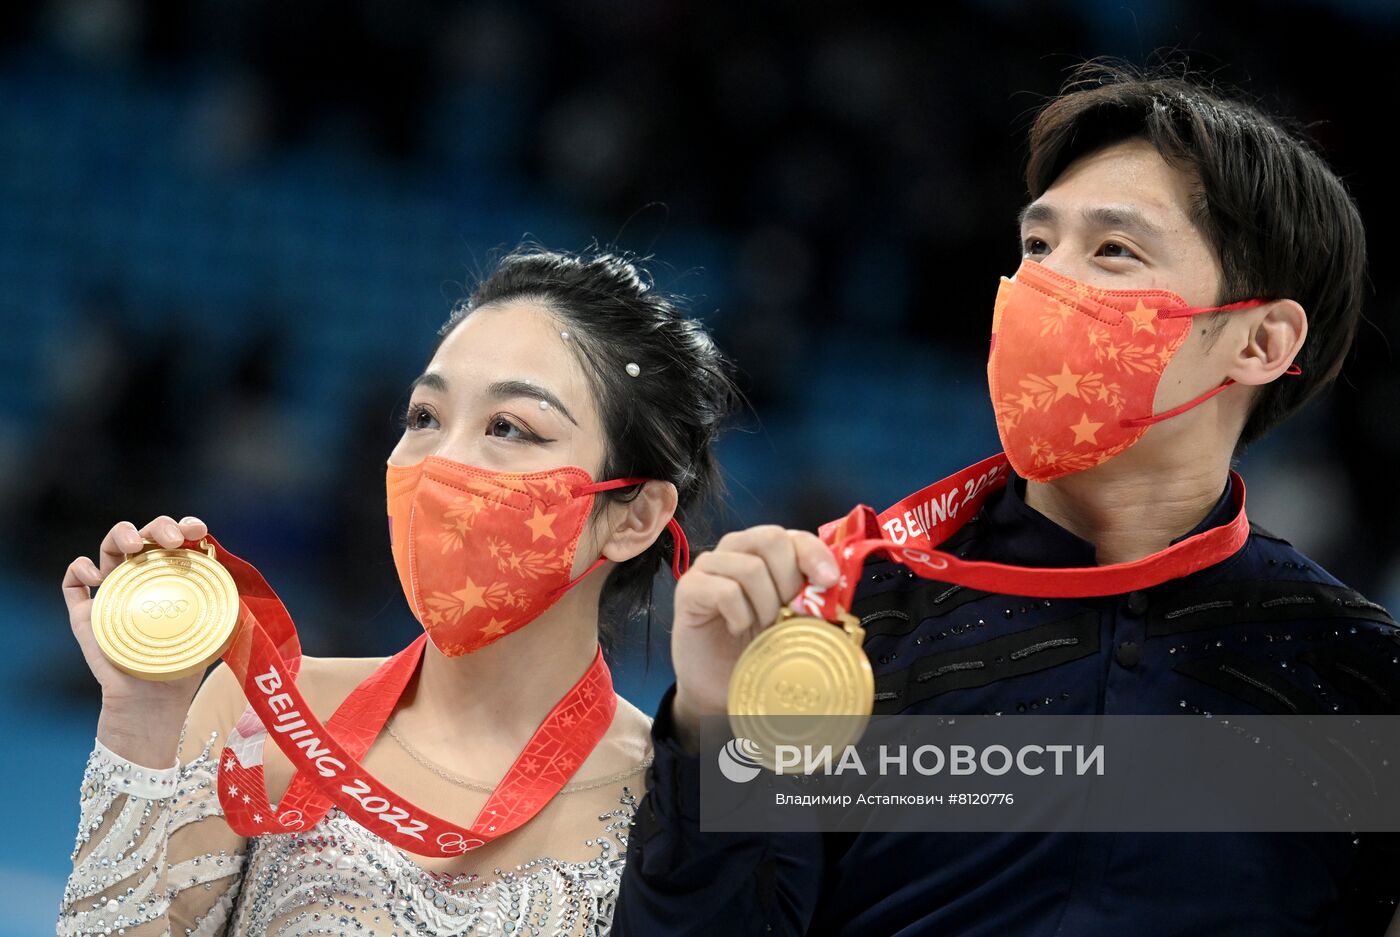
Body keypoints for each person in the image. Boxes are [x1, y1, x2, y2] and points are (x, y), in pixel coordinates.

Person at [612, 64, 1400, 936]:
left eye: (1112, 251)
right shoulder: (845, 625)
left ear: (1259, 341)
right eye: (1035, 247)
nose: (1041, 289)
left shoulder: (1355, 679)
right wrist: (715, 734)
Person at [56, 246, 736, 936]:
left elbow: (828, 867)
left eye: (508, 426)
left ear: (636, 515)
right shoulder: (262, 716)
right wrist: (140, 717)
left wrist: (760, 708)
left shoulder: (677, 803)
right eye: (424, 417)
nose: (439, 463)